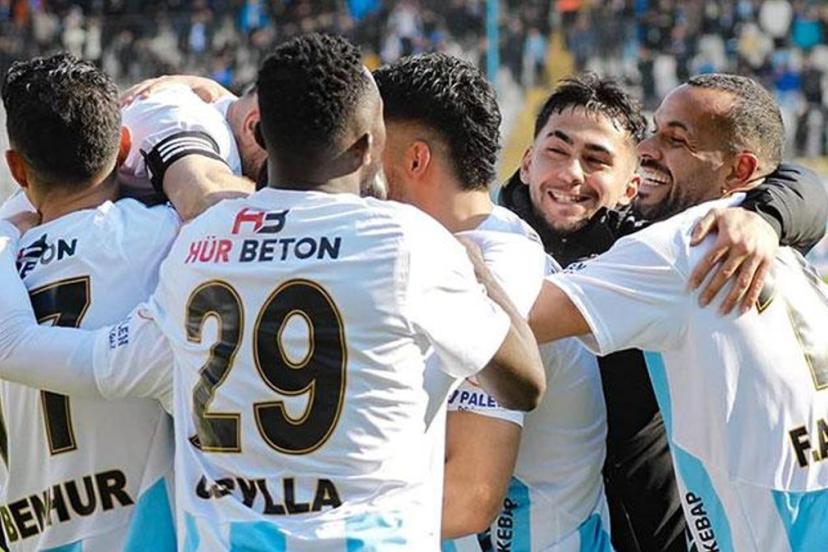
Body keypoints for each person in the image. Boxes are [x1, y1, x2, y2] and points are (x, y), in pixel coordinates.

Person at [0, 33, 545, 550]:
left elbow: (86, 359)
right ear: (368, 146)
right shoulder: (411, 245)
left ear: (259, 135)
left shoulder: (196, 247)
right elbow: (523, 385)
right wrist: (474, 266)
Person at [499, 74, 828, 552]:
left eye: (596, 160)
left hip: (667, 529)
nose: (571, 174)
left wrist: (763, 217)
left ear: (629, 182)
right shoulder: (498, 238)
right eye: (557, 151)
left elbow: (804, 186)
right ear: (527, 163)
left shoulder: (681, 245)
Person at [374, 54, 612, 551]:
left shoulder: (498, 265)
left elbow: (468, 497)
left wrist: (295, 524)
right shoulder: (444, 249)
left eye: (371, 151)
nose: (360, 174)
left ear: (415, 160)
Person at [0, 53, 178, 551]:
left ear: (17, 169)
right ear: (123, 146)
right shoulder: (163, 237)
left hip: (31, 535)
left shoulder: (6, 259)